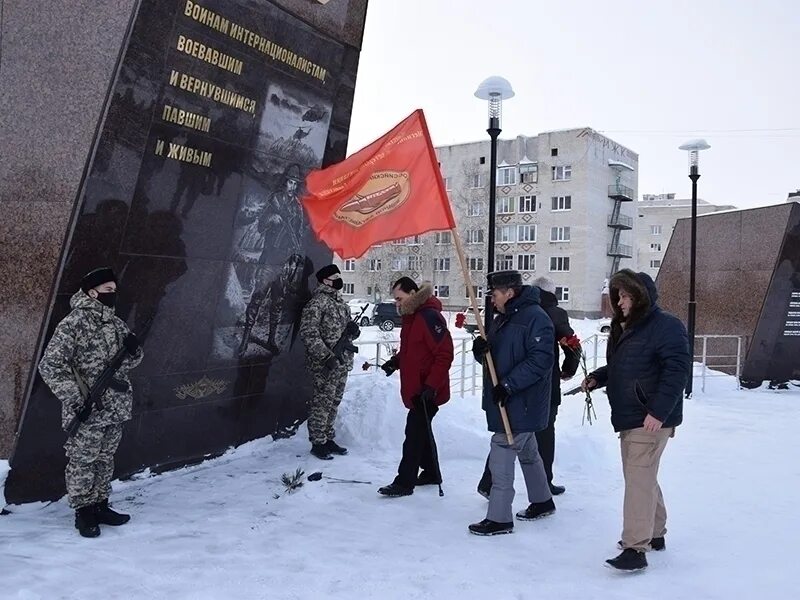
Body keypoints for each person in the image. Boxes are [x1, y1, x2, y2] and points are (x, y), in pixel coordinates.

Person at [582, 269, 690, 571]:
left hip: (650, 419)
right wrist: (597, 378)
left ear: (640, 297)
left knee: (638, 480)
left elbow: (676, 371)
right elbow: (621, 367)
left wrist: (658, 411)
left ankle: (635, 548)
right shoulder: (625, 328)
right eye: (618, 295)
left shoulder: (666, 326)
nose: (620, 301)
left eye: (626, 295)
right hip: (630, 417)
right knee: (641, 477)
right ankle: (655, 533)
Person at [38, 267, 144, 538]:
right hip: (86, 407)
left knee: (106, 458)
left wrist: (134, 351)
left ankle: (100, 503)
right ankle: (83, 512)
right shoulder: (73, 323)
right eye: (108, 291)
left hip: (115, 406)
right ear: (92, 292)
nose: (113, 295)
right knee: (83, 460)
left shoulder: (116, 323)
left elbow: (129, 363)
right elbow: (49, 365)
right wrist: (75, 398)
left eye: (114, 291)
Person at [468, 271, 555, 536]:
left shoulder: (537, 319)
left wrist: (508, 386)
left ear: (509, 292)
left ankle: (499, 518)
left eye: (494, 294)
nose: (491, 300)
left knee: (502, 451)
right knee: (528, 452)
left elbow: (541, 361)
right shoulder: (504, 319)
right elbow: (496, 360)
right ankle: (542, 501)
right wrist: (481, 351)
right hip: (507, 400)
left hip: (521, 401)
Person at [476, 275, 579, 498]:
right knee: (534, 434)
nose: (493, 300)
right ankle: (544, 487)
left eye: (495, 295)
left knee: (514, 435)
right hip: (536, 386)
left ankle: (494, 486)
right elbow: (572, 346)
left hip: (521, 385)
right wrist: (569, 369)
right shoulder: (541, 313)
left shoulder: (527, 314)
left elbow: (548, 352)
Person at [377, 278, 454, 497]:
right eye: (395, 300)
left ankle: (404, 482)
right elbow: (414, 350)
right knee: (420, 431)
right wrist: (397, 361)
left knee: (414, 434)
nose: (397, 304)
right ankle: (431, 472)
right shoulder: (413, 317)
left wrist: (430, 386)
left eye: (400, 298)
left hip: (427, 391)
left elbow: (444, 354)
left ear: (413, 293)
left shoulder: (429, 317)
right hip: (418, 389)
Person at [299, 264, 359, 460]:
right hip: (325, 364)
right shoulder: (317, 303)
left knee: (334, 402)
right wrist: (326, 356)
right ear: (325, 280)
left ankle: (328, 437)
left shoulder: (341, 304)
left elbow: (345, 335)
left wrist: (353, 331)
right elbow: (309, 334)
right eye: (335, 276)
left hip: (342, 362)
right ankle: (318, 442)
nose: (338, 280)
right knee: (322, 402)